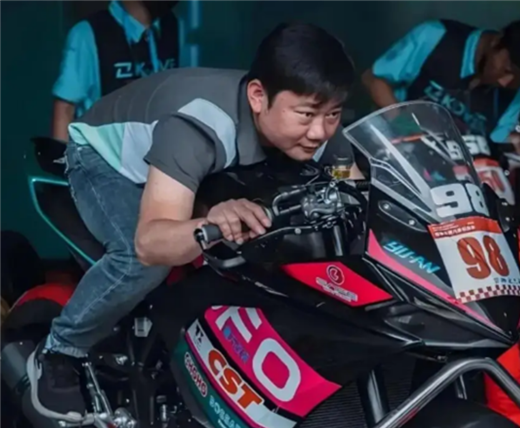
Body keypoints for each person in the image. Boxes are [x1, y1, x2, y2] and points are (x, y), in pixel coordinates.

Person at [29, 22, 360, 416]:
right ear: (258, 96)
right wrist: (209, 224)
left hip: (195, 168)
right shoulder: (198, 126)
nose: (320, 131)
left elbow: (353, 192)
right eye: (306, 115)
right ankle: (60, 350)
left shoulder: (321, 133)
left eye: (333, 113)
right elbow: (151, 242)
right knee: (139, 261)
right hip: (107, 162)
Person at [362, 19, 520, 156]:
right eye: (506, 70)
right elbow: (374, 79)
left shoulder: (517, 96)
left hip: (453, 184)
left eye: (518, 81)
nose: (505, 83)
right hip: (390, 153)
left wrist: (512, 145)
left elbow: (491, 150)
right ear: (497, 41)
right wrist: (408, 130)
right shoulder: (436, 36)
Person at [51, 0, 183, 141]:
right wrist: (60, 155)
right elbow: (65, 109)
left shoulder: (173, 27)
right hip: (107, 149)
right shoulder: (88, 33)